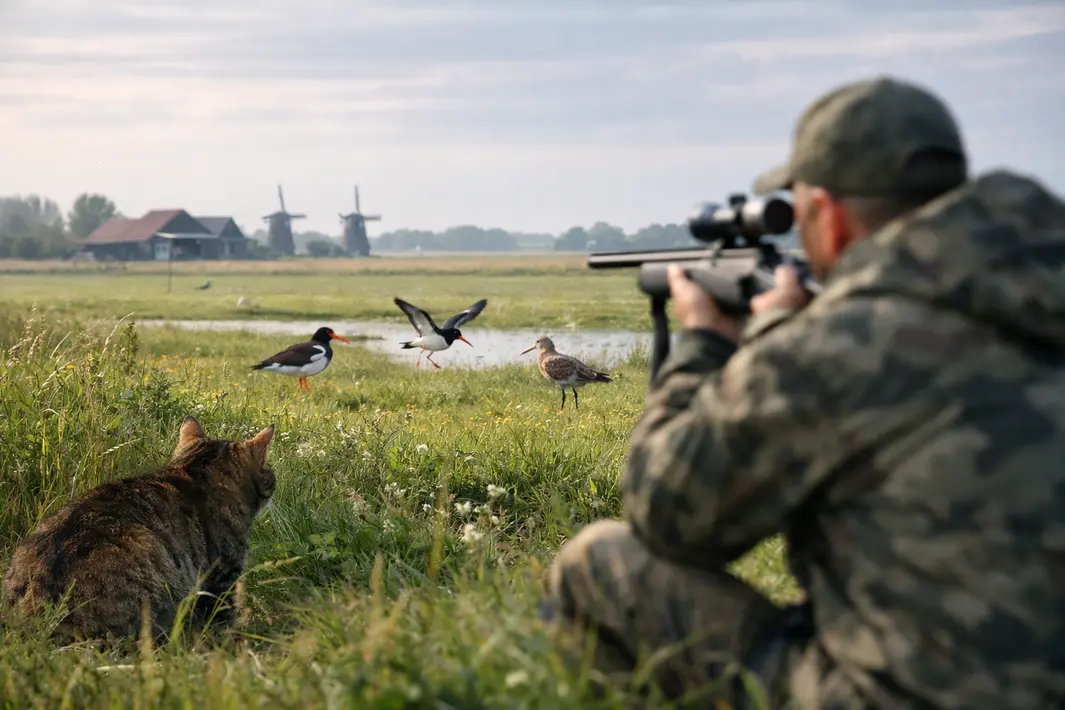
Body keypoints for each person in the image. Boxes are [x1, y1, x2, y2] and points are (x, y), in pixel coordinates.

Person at [539, 76, 1065, 709]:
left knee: (597, 563)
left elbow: (668, 514)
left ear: (831, 214)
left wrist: (710, 342)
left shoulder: (839, 343)